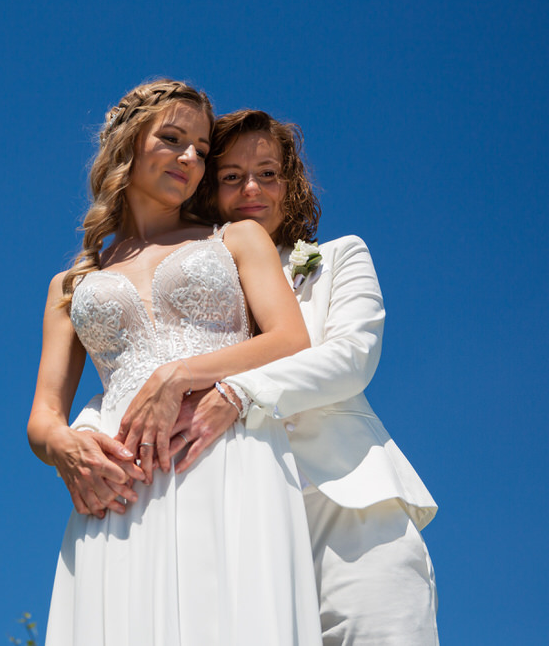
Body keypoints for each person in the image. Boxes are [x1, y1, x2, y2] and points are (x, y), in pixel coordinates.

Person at [73, 109, 439, 645]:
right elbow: (137, 366)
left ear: (291, 185)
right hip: (234, 519)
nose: (252, 188)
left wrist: (238, 391)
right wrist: (85, 430)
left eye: (268, 173)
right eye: (231, 176)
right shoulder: (201, 273)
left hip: (343, 509)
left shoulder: (338, 257)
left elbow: (350, 356)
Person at [28, 81, 323, 645]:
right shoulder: (69, 286)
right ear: (126, 145)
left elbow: (291, 339)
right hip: (119, 485)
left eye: (202, 149)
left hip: (226, 456)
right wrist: (64, 448)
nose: (191, 158)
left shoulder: (235, 239)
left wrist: (180, 375)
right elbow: (43, 418)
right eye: (172, 138)